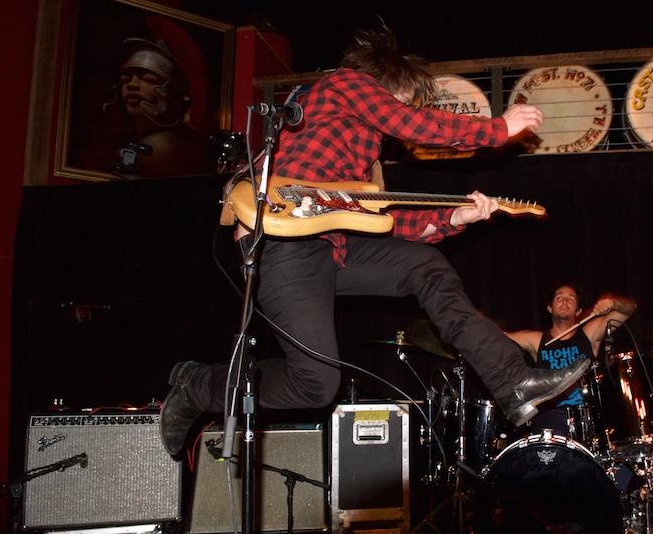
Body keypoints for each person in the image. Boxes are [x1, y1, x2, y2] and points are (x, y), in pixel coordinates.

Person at [159, 26, 589, 457]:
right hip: (281, 246)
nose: (403, 112)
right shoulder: (344, 85)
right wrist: (497, 128)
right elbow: (412, 124)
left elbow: (383, 221)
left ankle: (512, 380)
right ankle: (197, 386)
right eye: (404, 99)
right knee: (316, 385)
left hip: (331, 249)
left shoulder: (365, 162)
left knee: (427, 266)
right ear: (389, 82)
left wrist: (455, 217)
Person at [506, 283, 637, 436]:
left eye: (571, 299)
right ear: (550, 308)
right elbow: (497, 338)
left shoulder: (589, 334)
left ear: (578, 311)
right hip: (551, 414)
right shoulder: (536, 340)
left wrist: (613, 302)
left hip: (589, 413)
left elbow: (630, 307)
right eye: (559, 297)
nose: (565, 302)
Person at [102, 38, 213, 178]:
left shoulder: (165, 147)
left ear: (170, 92)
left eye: (148, 79)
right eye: (125, 80)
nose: (131, 85)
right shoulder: (129, 142)